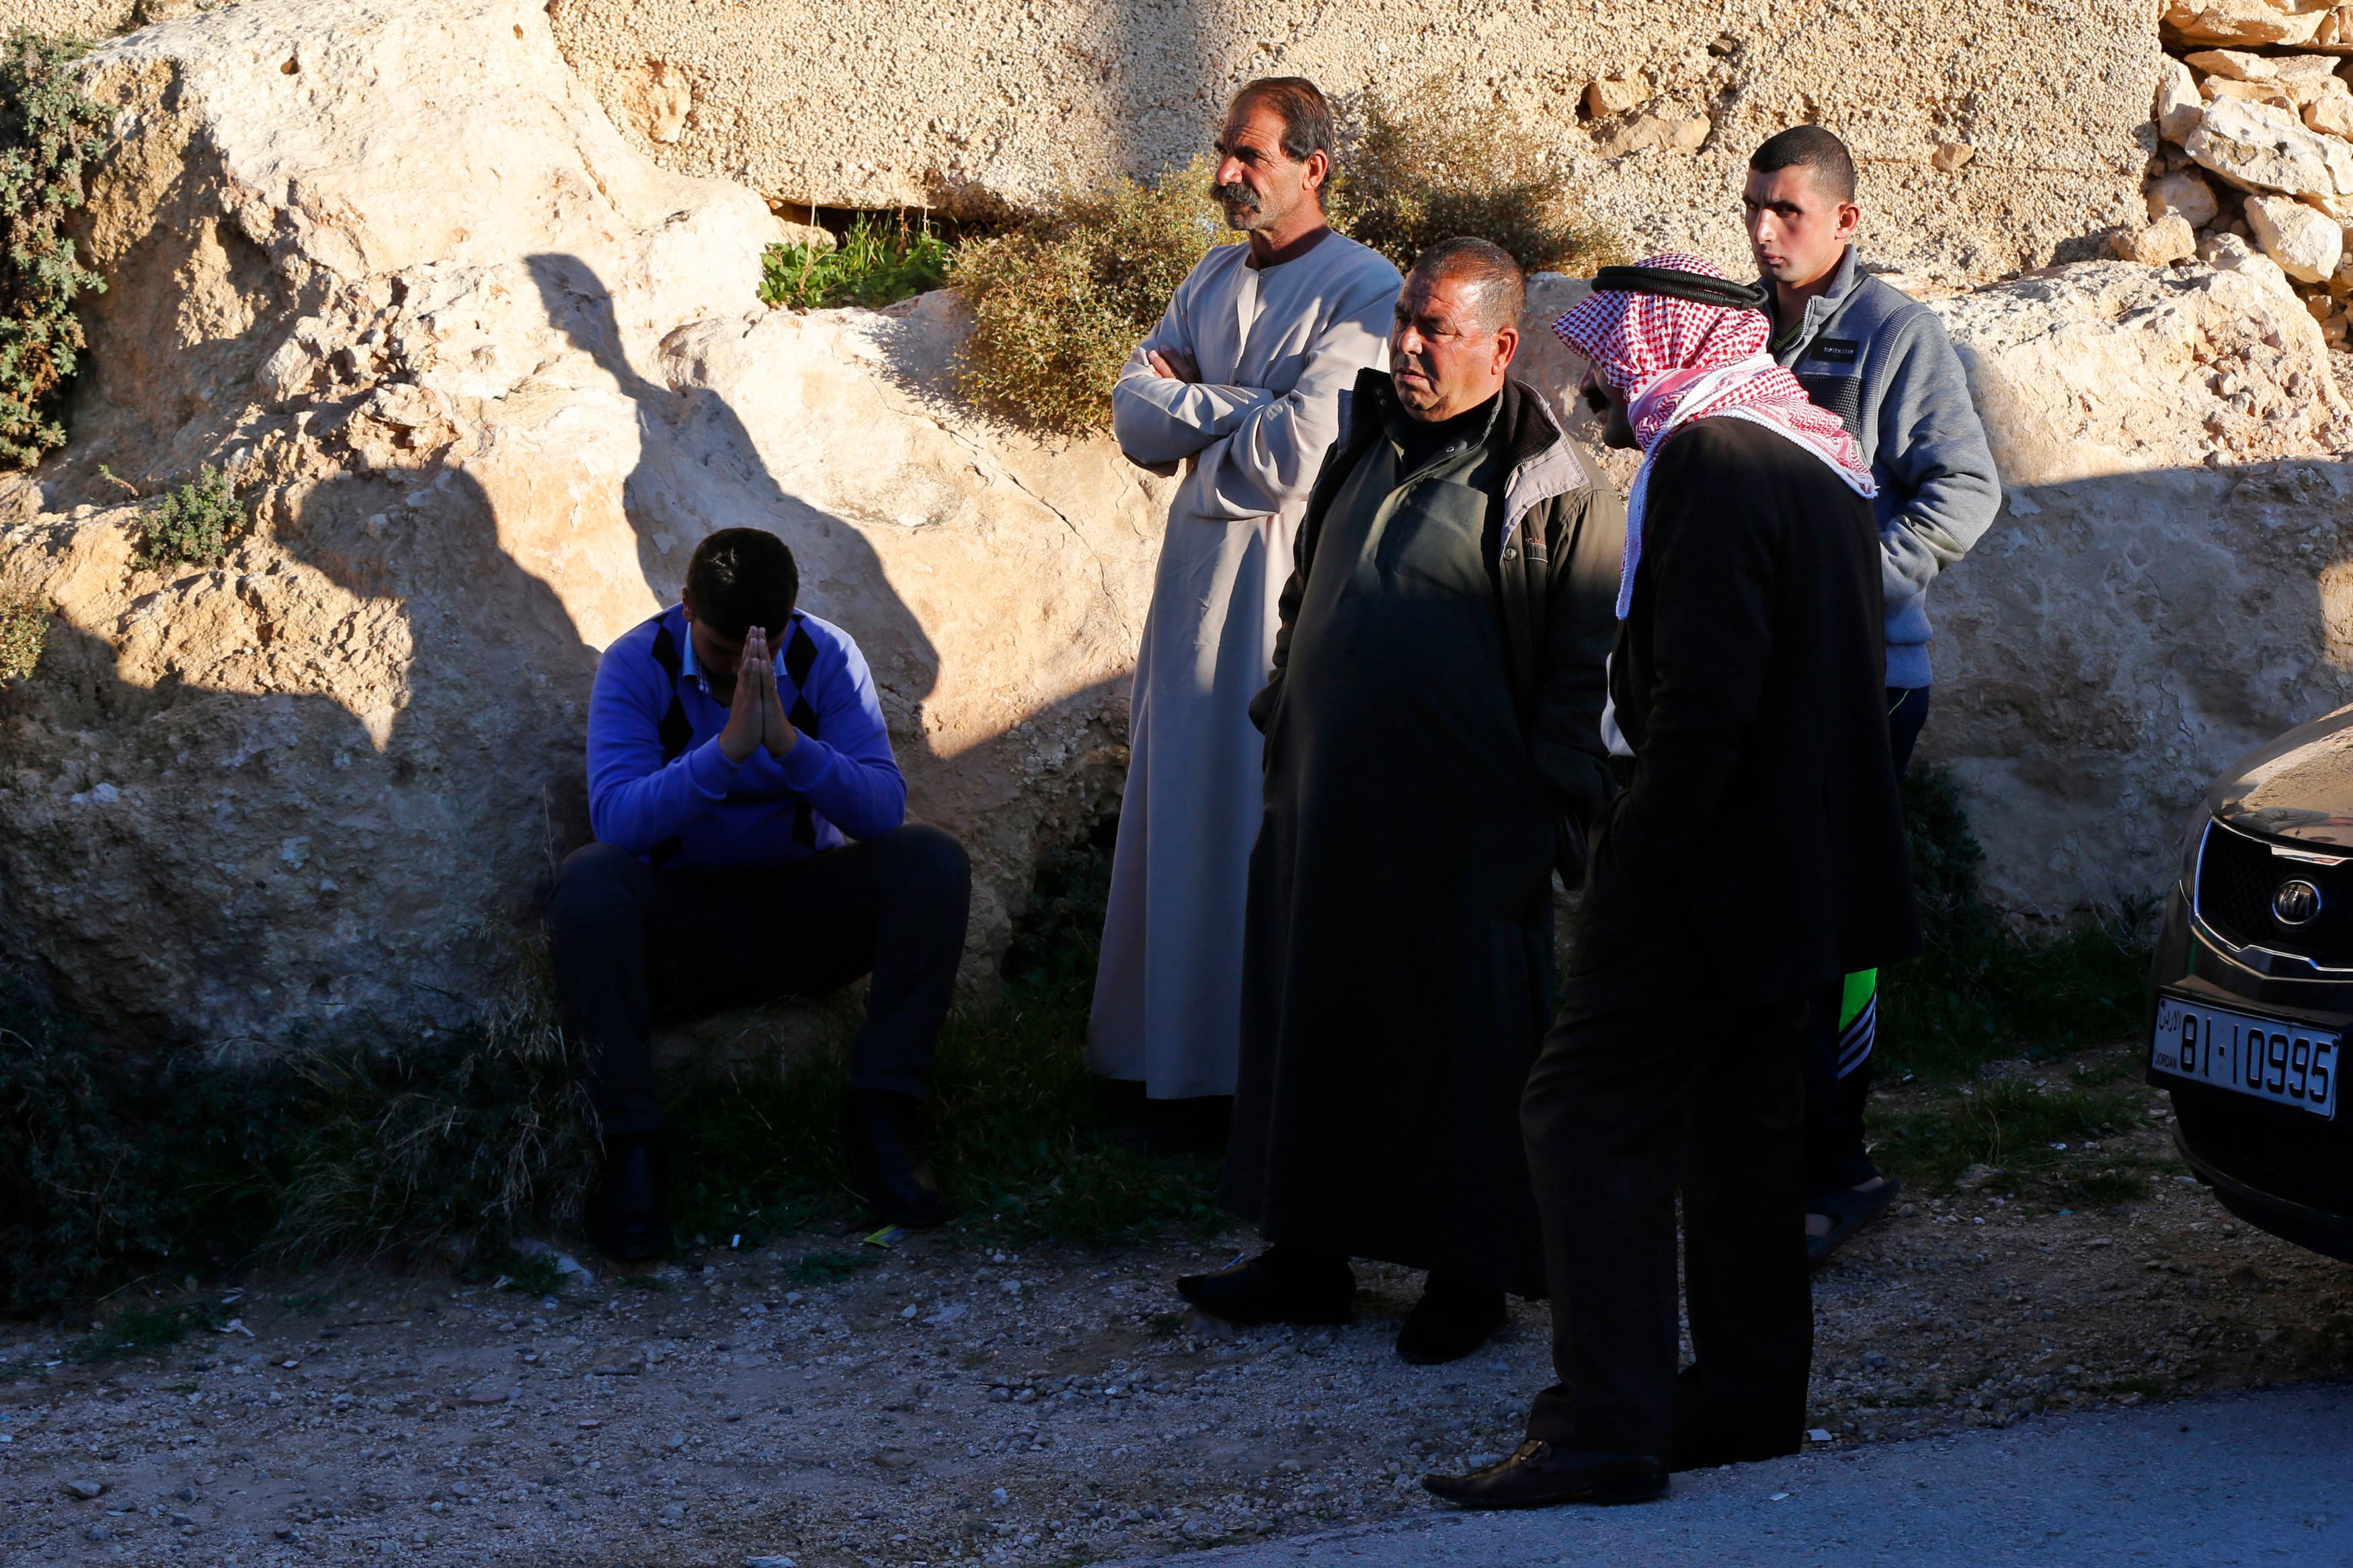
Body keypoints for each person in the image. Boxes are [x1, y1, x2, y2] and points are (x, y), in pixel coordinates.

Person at [1425, 256, 1920, 1508]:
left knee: (1584, 1113)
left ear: (1662, 347)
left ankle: (1605, 1424)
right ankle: (1750, 1401)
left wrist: (1639, 856)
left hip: (1706, 869)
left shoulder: (1710, 461)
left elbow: (1706, 704)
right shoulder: (1810, 456)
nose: (1593, 379)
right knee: (1743, 1128)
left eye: (1605, 355)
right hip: (1795, 874)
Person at [1179, 238, 1626, 1366]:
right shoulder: (1363, 435)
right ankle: (1307, 1258)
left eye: (1437, 329)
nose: (1410, 346)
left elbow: (1582, 671)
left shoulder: (1550, 482)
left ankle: (1466, 1278)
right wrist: (1284, 706)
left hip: (1470, 823)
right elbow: (1307, 584)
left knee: (1463, 1044)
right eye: (1407, 322)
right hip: (1328, 796)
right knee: (1314, 1017)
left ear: (1503, 346)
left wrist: (1545, 814)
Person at [1089, 78, 1403, 1155]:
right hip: (1189, 590)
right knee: (1181, 813)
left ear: (1313, 167)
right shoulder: (1213, 275)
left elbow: (1298, 457)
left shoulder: (1366, 289)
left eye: (1250, 156)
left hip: (1283, 590)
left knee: (1248, 823)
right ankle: (1163, 1068)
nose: (1226, 173)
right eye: (1225, 151)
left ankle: (1247, 1085)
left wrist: (1203, 409)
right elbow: (1133, 418)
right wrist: (1240, 406)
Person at [553, 528, 971, 1260]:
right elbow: (615, 820)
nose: (744, 666)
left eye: (765, 646)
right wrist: (724, 752)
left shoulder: (825, 655)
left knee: (931, 862)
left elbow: (878, 811)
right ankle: (630, 1149)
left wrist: (785, 742)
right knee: (590, 880)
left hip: (796, 916)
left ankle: (882, 1115)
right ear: (685, 608)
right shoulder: (636, 662)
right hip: (681, 923)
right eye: (720, 650)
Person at [1743, 124, 2002, 1265]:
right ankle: (1757, 1149)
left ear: (1847, 220)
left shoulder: (1897, 334)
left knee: (1835, 926)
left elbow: (1966, 492)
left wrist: (1843, 590)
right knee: (1762, 919)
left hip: (1860, 683)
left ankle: (1836, 1164)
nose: (1763, 231)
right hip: (1751, 686)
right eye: (1754, 207)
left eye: (1788, 211)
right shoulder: (1742, 330)